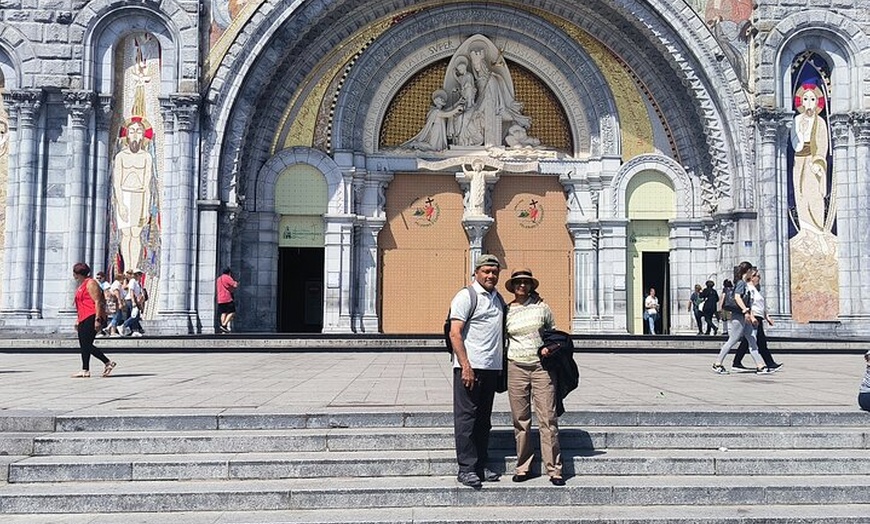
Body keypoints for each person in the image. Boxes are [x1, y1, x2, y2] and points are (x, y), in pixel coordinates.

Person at [448, 254, 505, 489]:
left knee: (483, 420)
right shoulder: (466, 296)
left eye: (494, 272)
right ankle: (466, 468)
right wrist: (465, 366)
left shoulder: (497, 298)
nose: (490, 275)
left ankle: (481, 464)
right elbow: (455, 333)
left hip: (491, 368)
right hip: (470, 369)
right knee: (467, 419)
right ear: (476, 273)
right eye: (486, 271)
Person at [503, 269, 565, 486]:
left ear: (531, 285)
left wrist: (549, 348)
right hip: (516, 367)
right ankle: (523, 466)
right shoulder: (507, 310)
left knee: (548, 418)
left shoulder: (542, 307)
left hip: (541, 368)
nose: (522, 285)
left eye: (526, 282)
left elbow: (553, 334)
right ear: (513, 286)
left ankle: (554, 469)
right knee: (521, 420)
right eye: (518, 282)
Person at [712, 261, 769, 375]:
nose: (752, 273)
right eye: (751, 271)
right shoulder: (741, 283)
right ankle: (717, 363)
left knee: (752, 340)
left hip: (745, 316)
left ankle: (760, 365)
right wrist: (745, 311)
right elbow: (737, 298)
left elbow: (749, 302)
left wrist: (751, 316)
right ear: (747, 271)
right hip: (739, 316)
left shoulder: (743, 283)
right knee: (733, 340)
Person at [71, 262, 116, 378]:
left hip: (91, 316)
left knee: (86, 344)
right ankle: (86, 369)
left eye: (74, 273)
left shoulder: (91, 283)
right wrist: (78, 319)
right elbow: (81, 304)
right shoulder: (81, 285)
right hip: (83, 317)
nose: (73, 275)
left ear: (78, 273)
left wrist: (98, 319)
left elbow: (97, 301)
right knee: (85, 344)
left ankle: (105, 363)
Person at [732, 269, 782, 372]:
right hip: (754, 316)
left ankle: (737, 362)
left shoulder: (755, 289)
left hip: (759, 316)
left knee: (748, 341)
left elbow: (761, 305)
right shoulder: (748, 288)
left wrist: (767, 316)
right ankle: (769, 363)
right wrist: (751, 316)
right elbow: (749, 303)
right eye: (758, 276)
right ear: (752, 277)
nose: (759, 278)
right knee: (759, 341)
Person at [121, 269, 146, 337]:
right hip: (130, 300)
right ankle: (123, 325)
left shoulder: (137, 282)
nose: (141, 276)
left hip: (134, 300)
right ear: (137, 274)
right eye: (140, 275)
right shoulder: (133, 281)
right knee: (135, 316)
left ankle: (135, 330)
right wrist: (133, 302)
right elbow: (131, 291)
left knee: (134, 315)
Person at [216, 267, 239, 333]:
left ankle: (223, 328)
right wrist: (236, 283)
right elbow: (234, 285)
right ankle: (224, 325)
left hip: (220, 299)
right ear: (229, 272)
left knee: (224, 312)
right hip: (227, 298)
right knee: (232, 312)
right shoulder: (227, 277)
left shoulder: (219, 279)